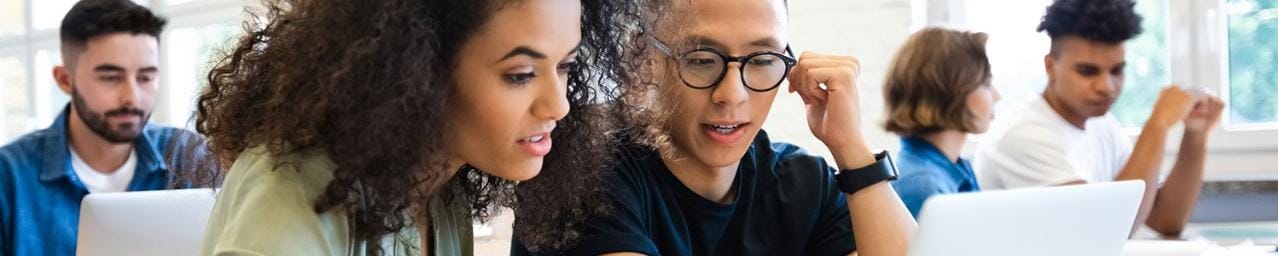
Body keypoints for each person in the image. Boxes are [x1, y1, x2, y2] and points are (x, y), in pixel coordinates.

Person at [195, 0, 639, 255]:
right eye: (520, 74)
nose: (558, 105)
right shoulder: (292, 191)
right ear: (418, 70)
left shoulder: (442, 193)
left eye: (565, 66)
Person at [512, 0, 916, 255]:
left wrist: (852, 150)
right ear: (644, 60)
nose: (732, 94)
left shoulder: (805, 186)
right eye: (701, 59)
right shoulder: (580, 172)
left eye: (761, 59)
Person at [974, 0, 1224, 237]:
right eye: (1087, 71)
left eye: (1117, 70)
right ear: (1050, 67)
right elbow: (1109, 230)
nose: (1107, 86)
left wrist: (1195, 135)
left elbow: (1164, 219)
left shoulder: (1101, 124)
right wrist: (1157, 125)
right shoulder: (1025, 134)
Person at [0, 0, 215, 254]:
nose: (132, 97)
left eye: (145, 77)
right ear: (65, 80)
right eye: (110, 78)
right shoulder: (9, 176)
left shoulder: (188, 157)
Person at [883, 27, 999, 218]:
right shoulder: (923, 185)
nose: (996, 96)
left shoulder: (954, 168)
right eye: (986, 84)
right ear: (953, 91)